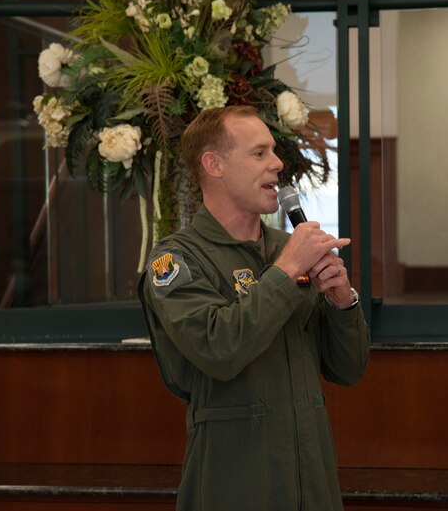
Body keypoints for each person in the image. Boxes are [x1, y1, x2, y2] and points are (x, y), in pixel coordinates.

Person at [138, 105, 371, 510]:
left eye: (274, 152)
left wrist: (341, 303)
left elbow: (348, 369)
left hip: (311, 481)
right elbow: (219, 349)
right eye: (259, 153)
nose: (277, 164)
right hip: (235, 483)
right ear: (214, 165)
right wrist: (286, 272)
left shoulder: (287, 249)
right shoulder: (176, 261)